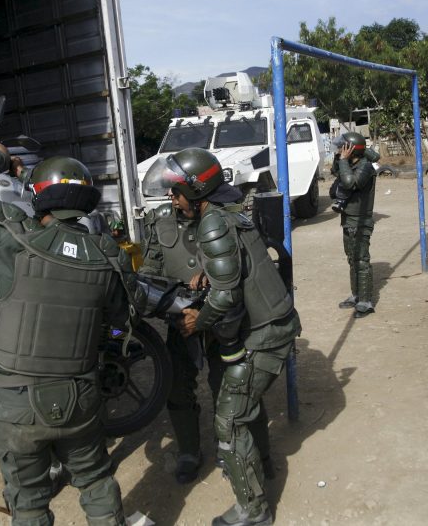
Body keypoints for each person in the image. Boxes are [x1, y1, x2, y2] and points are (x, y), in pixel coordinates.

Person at [0, 146, 133, 525]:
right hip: (80, 396)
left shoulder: (16, 239)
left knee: (29, 501)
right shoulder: (110, 255)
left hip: (17, 403)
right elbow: (122, 320)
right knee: (96, 479)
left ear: (38, 196)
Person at [145, 147, 301, 526]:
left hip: (248, 329)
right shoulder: (222, 215)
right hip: (244, 324)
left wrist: (199, 319)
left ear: (196, 191)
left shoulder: (214, 222)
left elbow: (227, 295)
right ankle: (221, 464)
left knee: (230, 415)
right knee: (203, 396)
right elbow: (225, 274)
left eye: (177, 190)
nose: (171, 197)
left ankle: (254, 510)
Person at [136, 185, 224, 484]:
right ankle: (189, 450)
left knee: (224, 384)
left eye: (177, 192)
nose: (171, 198)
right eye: (169, 192)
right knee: (176, 386)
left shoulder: (222, 217)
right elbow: (151, 269)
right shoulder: (161, 220)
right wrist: (166, 305)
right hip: (179, 318)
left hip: (220, 320)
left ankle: (229, 445)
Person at [332, 131, 379, 318]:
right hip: (349, 219)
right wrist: (340, 160)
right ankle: (356, 295)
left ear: (351, 150)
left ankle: (365, 302)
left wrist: (343, 161)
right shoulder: (353, 163)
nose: (339, 150)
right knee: (352, 259)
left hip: (360, 220)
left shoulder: (366, 166)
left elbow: (351, 182)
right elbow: (338, 174)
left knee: (361, 260)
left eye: (343, 147)